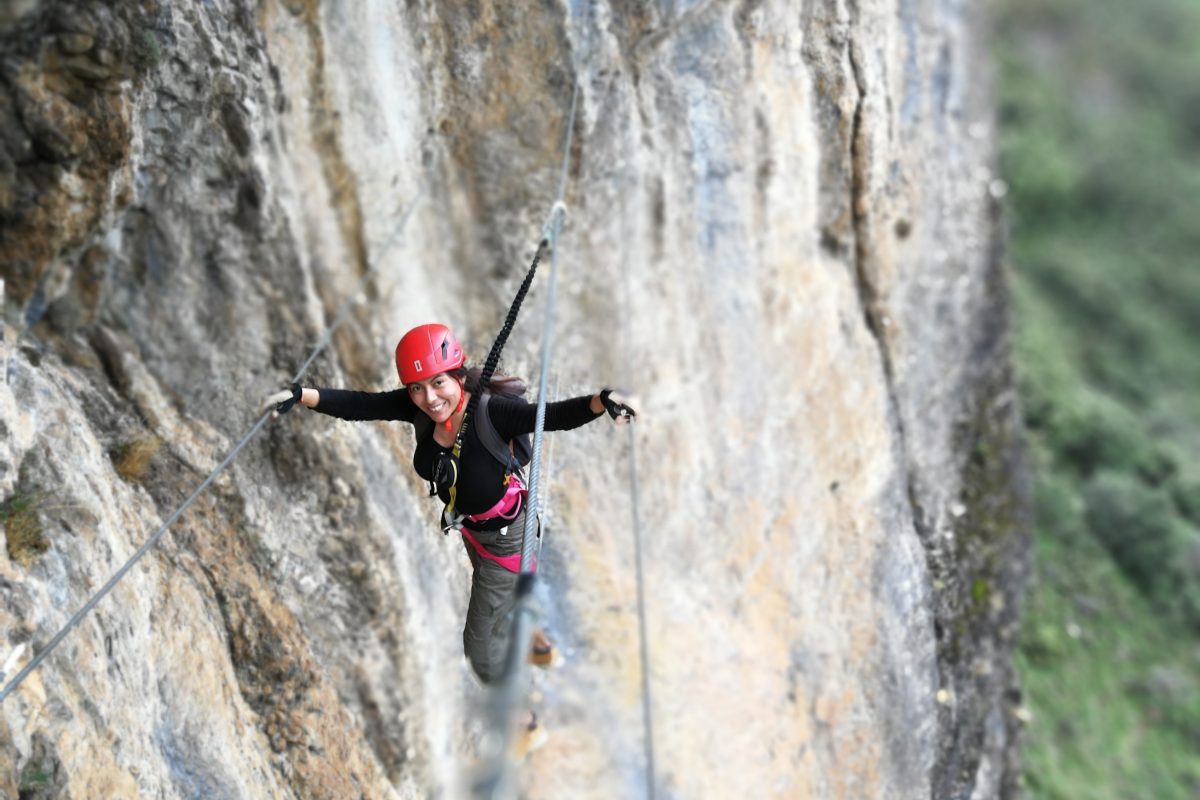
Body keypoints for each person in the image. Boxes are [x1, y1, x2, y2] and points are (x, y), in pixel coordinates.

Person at [264, 322, 636, 688]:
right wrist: (301, 395)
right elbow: (362, 405)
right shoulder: (419, 409)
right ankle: (536, 639)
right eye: (417, 388)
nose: (430, 399)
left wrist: (602, 401)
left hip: (507, 538)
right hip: (472, 531)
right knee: (502, 603)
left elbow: (552, 415)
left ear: (458, 375)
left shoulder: (492, 413)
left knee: (479, 652)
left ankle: (516, 707)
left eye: (438, 382)